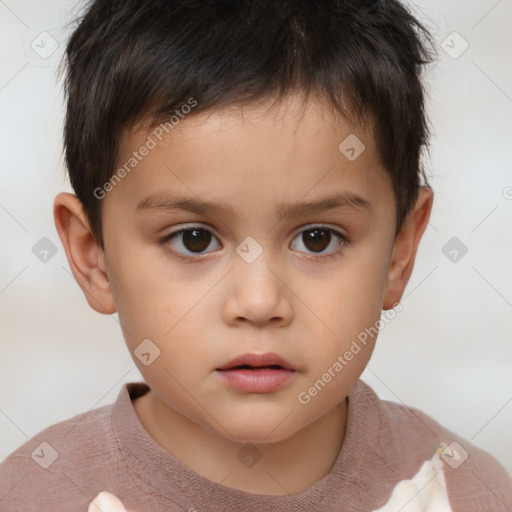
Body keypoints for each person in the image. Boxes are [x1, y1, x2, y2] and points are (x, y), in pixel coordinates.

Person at [1, 1, 511, 511]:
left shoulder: (464, 490)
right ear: (95, 258)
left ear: (400, 252)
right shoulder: (34, 495)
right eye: (194, 240)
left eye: (318, 238)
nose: (260, 301)